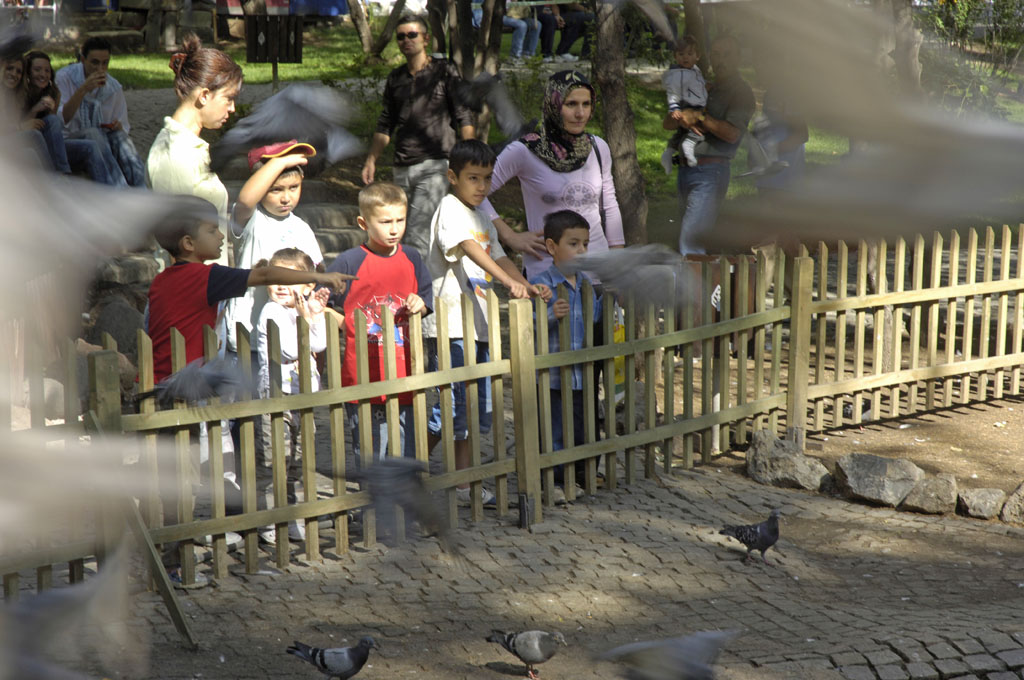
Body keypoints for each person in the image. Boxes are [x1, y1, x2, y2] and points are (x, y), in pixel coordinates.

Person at [147, 197, 349, 579]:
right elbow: (265, 276)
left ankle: (170, 554)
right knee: (185, 480)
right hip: (186, 389)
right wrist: (322, 278)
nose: (221, 236)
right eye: (211, 230)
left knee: (172, 478)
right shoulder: (204, 276)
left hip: (162, 385)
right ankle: (174, 564)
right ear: (188, 243)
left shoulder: (161, 281)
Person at [423, 139, 548, 507]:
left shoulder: (481, 216)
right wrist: (507, 282)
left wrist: (524, 284)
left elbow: (500, 256)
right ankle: (408, 467)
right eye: (473, 178)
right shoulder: (450, 208)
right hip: (451, 324)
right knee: (452, 405)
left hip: (479, 325)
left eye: (487, 178)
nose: (481, 186)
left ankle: (461, 483)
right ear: (452, 177)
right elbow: (469, 247)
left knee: (471, 407)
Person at [482, 69, 624, 280]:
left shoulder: (598, 147)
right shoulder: (525, 150)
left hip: (598, 272)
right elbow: (475, 192)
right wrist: (509, 236)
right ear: (554, 104)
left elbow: (609, 205)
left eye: (586, 104)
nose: (580, 113)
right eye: (571, 104)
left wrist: (618, 263)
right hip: (547, 277)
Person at [327, 182, 432, 464]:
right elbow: (319, 303)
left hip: (405, 373)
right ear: (364, 223)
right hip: (363, 374)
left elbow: (425, 297)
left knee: (406, 451)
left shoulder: (412, 257)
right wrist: (347, 324)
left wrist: (420, 304)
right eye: (385, 222)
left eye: (400, 220)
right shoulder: (349, 262)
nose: (394, 229)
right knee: (371, 453)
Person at [361, 14, 476, 258]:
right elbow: (386, 123)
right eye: (401, 36)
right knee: (396, 232)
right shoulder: (396, 78)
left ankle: (414, 282)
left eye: (412, 35)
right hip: (401, 166)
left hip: (435, 164)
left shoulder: (444, 71)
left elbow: (463, 115)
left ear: (425, 39)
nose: (406, 40)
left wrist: (469, 160)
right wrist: (371, 159)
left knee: (418, 234)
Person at [255, 248, 330, 545]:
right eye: (276, 278)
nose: (281, 285)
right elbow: (288, 349)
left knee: (297, 461)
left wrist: (316, 315)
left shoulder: (300, 311)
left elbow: (319, 344)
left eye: (290, 278)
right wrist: (304, 317)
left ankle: (291, 515)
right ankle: (270, 519)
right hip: (277, 396)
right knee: (275, 459)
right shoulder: (271, 311)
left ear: (308, 285)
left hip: (302, 397)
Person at [148, 34, 243, 266]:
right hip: (192, 285)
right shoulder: (174, 152)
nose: (232, 108)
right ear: (204, 95)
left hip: (208, 281)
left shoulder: (190, 145)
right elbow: (176, 240)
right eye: (228, 99)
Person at [224, 140, 323, 359]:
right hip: (248, 337)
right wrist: (281, 163)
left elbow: (313, 280)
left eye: (293, 187)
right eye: (276, 190)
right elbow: (245, 200)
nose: (286, 198)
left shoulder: (302, 228)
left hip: (292, 342)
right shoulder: (251, 221)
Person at [528, 209, 601, 506]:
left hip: (581, 373)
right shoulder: (541, 283)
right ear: (551, 246)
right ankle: (554, 482)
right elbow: (527, 324)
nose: (581, 250)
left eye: (585, 244)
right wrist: (549, 314)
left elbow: (595, 318)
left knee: (582, 427)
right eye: (573, 244)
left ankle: (578, 477)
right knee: (555, 429)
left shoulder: (585, 284)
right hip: (554, 376)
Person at [664, 34, 755, 255]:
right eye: (716, 54)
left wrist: (700, 116)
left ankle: (694, 279)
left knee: (690, 242)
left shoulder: (741, 91)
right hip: (685, 169)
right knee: (686, 240)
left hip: (710, 172)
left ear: (738, 58)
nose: (720, 60)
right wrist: (682, 113)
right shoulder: (703, 85)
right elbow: (668, 124)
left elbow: (733, 134)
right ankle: (693, 276)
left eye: (727, 55)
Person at [21, 50, 124, 185]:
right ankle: (61, 176)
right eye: (37, 70)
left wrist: (50, 109)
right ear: (28, 72)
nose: (43, 74)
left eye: (47, 71)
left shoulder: (53, 93)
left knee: (91, 146)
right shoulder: (20, 94)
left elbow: (55, 131)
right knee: (52, 121)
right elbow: (20, 127)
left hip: (53, 147)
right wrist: (35, 110)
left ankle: (110, 190)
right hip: (31, 144)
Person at [55, 36, 146, 187]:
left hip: (102, 143)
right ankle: (119, 191)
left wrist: (118, 127)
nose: (100, 69)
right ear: (83, 60)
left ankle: (142, 191)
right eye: (95, 63)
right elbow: (61, 119)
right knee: (93, 133)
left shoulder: (113, 87)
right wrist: (83, 89)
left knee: (120, 138)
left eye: (105, 63)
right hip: (69, 142)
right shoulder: (64, 78)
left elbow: (123, 126)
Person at [661, 36, 707, 172]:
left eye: (689, 54)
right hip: (691, 106)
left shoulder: (694, 70)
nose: (685, 57)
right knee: (699, 129)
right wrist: (674, 108)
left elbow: (697, 84)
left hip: (694, 102)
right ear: (675, 56)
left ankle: (669, 151)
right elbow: (673, 92)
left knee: (681, 132)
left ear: (697, 56)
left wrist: (706, 86)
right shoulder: (678, 74)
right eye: (681, 54)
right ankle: (689, 144)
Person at [471, 2, 540, 63]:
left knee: (537, 25)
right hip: (496, 16)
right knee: (521, 25)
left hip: (515, 14)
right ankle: (514, 56)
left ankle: (527, 54)